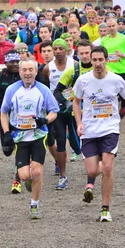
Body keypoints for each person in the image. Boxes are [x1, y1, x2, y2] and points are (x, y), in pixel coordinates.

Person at [72, 46, 125, 222]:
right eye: (94, 60)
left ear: (106, 60)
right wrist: (79, 123)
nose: (98, 63)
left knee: (107, 168)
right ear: (90, 61)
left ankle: (105, 209)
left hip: (110, 128)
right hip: (90, 130)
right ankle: (91, 183)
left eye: (101, 60)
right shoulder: (83, 80)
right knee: (92, 169)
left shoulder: (116, 80)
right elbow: (76, 102)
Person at [0, 58, 59, 219]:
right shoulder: (12, 90)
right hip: (19, 136)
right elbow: (3, 112)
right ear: (19, 72)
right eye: (24, 70)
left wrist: (46, 120)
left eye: (30, 70)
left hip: (38, 134)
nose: (27, 73)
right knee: (25, 175)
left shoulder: (43, 89)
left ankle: (34, 204)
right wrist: (6, 133)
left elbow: (54, 110)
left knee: (37, 171)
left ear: (35, 71)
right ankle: (28, 181)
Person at [0, 50, 22, 193]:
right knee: (7, 150)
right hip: (4, 116)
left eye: (16, 61)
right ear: (5, 63)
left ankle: (17, 179)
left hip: (22, 117)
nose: (14, 64)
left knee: (21, 147)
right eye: (11, 62)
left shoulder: (23, 75)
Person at [41, 39, 74, 189]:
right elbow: (47, 89)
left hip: (74, 108)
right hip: (57, 109)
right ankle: (63, 176)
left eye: (61, 48)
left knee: (80, 139)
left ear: (67, 50)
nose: (58, 51)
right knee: (60, 141)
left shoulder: (75, 64)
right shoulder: (48, 68)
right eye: (56, 48)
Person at [53, 40, 93, 162]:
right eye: (82, 53)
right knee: (76, 145)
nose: (85, 56)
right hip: (77, 112)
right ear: (77, 55)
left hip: (97, 112)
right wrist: (67, 103)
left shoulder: (102, 67)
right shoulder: (72, 70)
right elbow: (57, 91)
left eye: (87, 53)